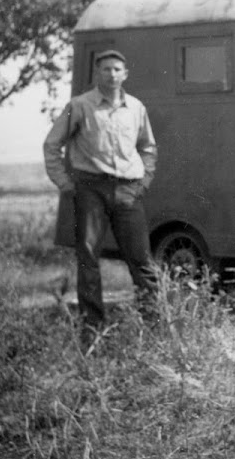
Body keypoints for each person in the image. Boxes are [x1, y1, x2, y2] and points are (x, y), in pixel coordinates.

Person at [43, 50, 160, 337]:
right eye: (106, 69)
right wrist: (66, 184)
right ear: (97, 74)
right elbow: (52, 145)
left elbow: (148, 148)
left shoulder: (135, 108)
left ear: (125, 74)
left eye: (117, 69)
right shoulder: (80, 106)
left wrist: (142, 183)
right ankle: (93, 329)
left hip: (127, 191)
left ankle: (155, 327)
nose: (112, 74)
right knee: (88, 259)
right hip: (90, 190)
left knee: (142, 260)